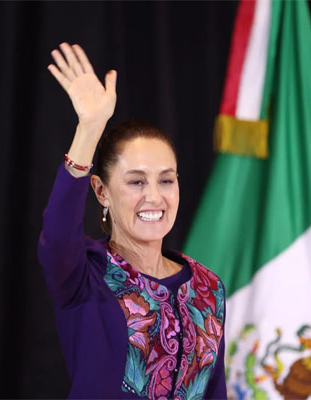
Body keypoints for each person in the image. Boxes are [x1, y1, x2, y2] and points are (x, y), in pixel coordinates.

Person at [38, 42, 226, 400]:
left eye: (166, 180)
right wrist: (90, 128)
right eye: (136, 181)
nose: (154, 196)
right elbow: (57, 236)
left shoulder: (208, 287)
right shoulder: (84, 275)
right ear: (102, 191)